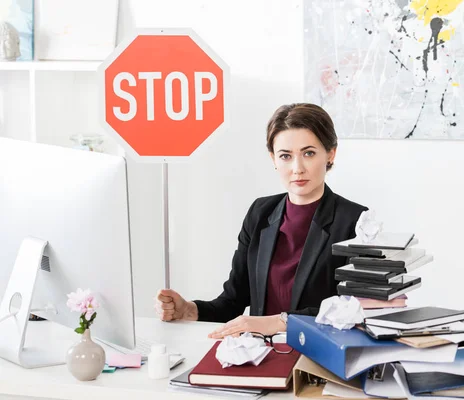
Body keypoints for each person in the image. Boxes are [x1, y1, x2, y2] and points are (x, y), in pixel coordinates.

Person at [155, 103, 368, 338]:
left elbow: (352, 309)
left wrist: (279, 322)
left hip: (317, 358)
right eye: (285, 156)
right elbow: (233, 301)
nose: (297, 168)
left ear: (330, 154)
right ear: (273, 159)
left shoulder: (356, 221)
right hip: (259, 354)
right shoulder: (260, 212)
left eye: (308, 153)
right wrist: (188, 310)